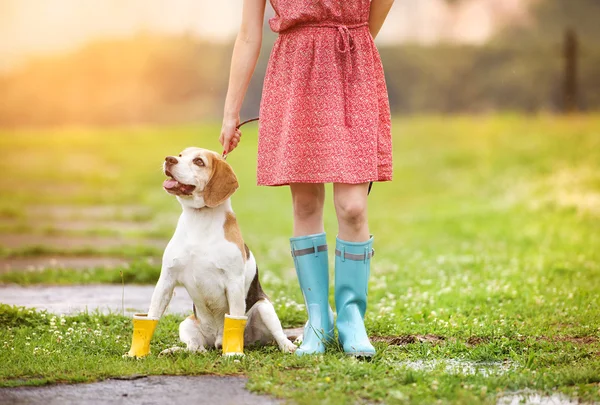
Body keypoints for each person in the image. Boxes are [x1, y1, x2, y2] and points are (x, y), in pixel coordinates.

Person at [219, 0, 394, 357]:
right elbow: (249, 34)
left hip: (352, 67)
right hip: (296, 72)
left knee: (353, 207)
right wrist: (230, 112)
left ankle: (351, 319)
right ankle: (318, 319)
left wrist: (346, 43)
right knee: (306, 202)